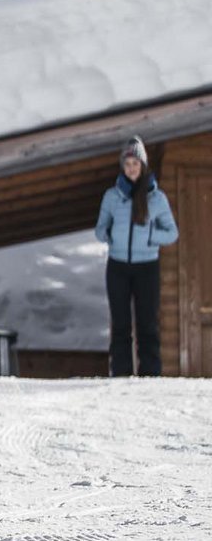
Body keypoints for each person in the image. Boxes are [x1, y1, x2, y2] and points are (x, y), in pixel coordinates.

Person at [95, 137, 177, 377]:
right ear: (123, 166)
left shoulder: (156, 198)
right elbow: (99, 230)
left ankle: (150, 374)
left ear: (143, 165)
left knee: (147, 324)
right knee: (120, 324)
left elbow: (172, 233)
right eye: (127, 163)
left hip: (147, 267)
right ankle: (121, 374)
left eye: (135, 163)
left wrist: (151, 235)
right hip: (118, 266)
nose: (131, 168)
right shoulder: (112, 196)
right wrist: (110, 235)